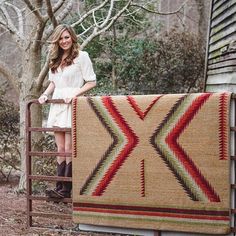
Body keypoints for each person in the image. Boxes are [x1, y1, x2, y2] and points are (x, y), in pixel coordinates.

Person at [38, 24, 96, 198]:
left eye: (66, 37)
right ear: (57, 40)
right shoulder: (55, 59)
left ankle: (66, 189)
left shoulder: (82, 56)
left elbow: (91, 81)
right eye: (61, 38)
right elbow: (54, 82)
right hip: (57, 105)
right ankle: (58, 187)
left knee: (69, 147)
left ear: (72, 37)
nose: (64, 41)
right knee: (60, 147)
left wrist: (74, 94)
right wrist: (45, 95)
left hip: (71, 103)